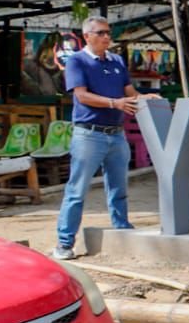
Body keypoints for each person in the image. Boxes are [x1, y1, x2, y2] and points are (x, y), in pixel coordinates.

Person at [53, 16, 158, 259]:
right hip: (89, 135)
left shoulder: (117, 61)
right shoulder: (77, 62)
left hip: (116, 135)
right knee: (77, 191)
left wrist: (146, 97)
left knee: (119, 187)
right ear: (87, 36)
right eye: (101, 33)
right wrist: (115, 103)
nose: (107, 37)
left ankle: (122, 230)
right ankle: (64, 243)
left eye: (108, 33)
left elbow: (129, 93)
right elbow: (82, 96)